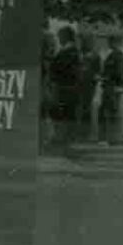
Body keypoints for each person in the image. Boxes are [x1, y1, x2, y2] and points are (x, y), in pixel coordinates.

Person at [48, 26, 82, 155]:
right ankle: (64, 143)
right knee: (64, 115)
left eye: (60, 36)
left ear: (65, 37)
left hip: (65, 89)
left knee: (64, 116)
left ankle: (65, 144)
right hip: (67, 89)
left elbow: (60, 70)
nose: (59, 39)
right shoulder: (70, 52)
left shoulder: (69, 53)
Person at [99, 36, 123, 146]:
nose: (109, 44)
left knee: (112, 112)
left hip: (112, 87)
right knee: (109, 112)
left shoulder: (118, 55)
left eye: (111, 42)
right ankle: (111, 138)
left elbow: (119, 73)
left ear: (116, 42)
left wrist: (106, 78)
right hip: (110, 87)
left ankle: (114, 139)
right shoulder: (113, 55)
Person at [77, 33, 102, 144]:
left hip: (89, 87)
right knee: (80, 110)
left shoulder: (95, 57)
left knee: (86, 110)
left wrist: (93, 79)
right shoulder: (79, 55)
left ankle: (86, 134)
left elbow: (98, 73)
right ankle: (80, 133)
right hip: (79, 86)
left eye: (87, 42)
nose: (85, 44)